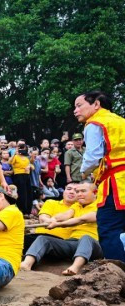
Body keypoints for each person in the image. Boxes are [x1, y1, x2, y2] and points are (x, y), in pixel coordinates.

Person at [75, 90, 125, 262]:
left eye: (79, 105)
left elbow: (92, 157)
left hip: (117, 183)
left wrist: (83, 173)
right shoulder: (121, 121)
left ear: (96, 104)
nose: (76, 111)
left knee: (109, 228)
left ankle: (117, 272)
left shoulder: (95, 123)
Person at [21, 181, 102, 276]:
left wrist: (57, 224)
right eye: (78, 191)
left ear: (95, 192)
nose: (79, 194)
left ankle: (75, 267)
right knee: (43, 239)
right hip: (73, 242)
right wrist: (52, 219)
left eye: (83, 191)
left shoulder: (101, 206)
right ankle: (27, 264)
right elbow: (66, 215)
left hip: (94, 245)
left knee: (86, 238)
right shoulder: (77, 205)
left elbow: (81, 219)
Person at [23, 183, 77, 251]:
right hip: (39, 236)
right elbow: (43, 218)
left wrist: (55, 222)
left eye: (76, 191)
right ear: (64, 191)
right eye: (69, 189)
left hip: (61, 241)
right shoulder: (50, 202)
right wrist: (52, 221)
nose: (71, 192)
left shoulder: (80, 208)